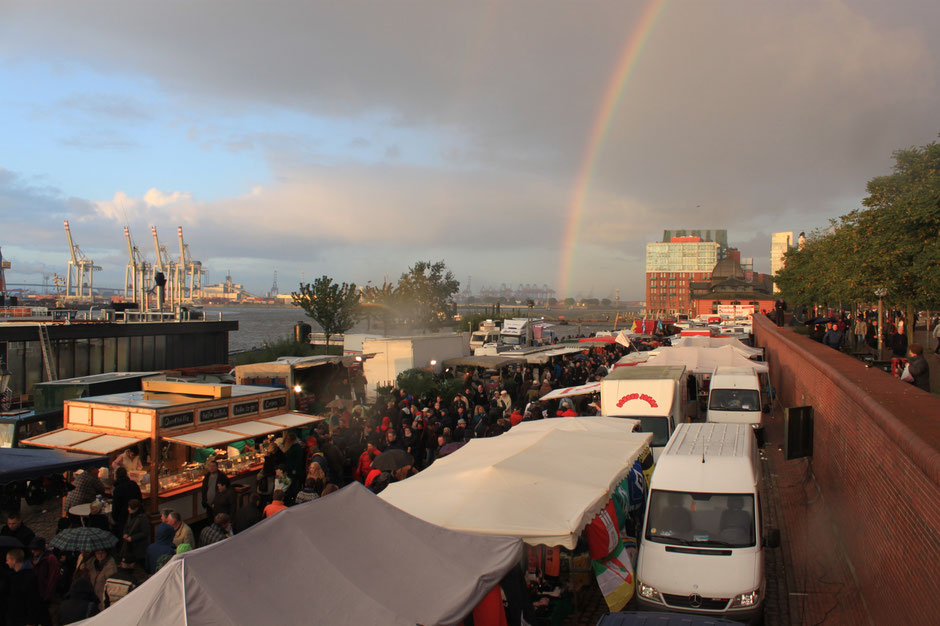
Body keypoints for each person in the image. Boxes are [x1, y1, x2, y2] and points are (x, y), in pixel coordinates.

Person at [4, 547, 43, 626]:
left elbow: (32, 601)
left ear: (14, 561)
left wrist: (31, 622)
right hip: (17, 617)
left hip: (23, 619)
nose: (6, 562)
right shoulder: (15, 575)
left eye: (8, 560)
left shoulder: (28, 578)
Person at [30, 537, 59, 625]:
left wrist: (47, 595)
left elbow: (53, 578)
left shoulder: (50, 558)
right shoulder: (33, 559)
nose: (33, 551)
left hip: (45, 595)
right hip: (36, 595)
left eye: (35, 549)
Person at [110, 466, 142, 537]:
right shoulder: (134, 484)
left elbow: (116, 506)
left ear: (117, 476)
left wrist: (115, 518)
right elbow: (140, 499)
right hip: (135, 515)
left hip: (122, 518)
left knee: (123, 537)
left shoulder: (117, 489)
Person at [121, 499, 149, 567]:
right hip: (130, 546)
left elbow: (145, 532)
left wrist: (132, 538)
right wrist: (125, 533)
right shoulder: (130, 515)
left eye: (130, 508)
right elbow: (126, 526)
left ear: (136, 508)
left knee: (139, 565)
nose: (128, 509)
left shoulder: (143, 518)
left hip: (139, 546)